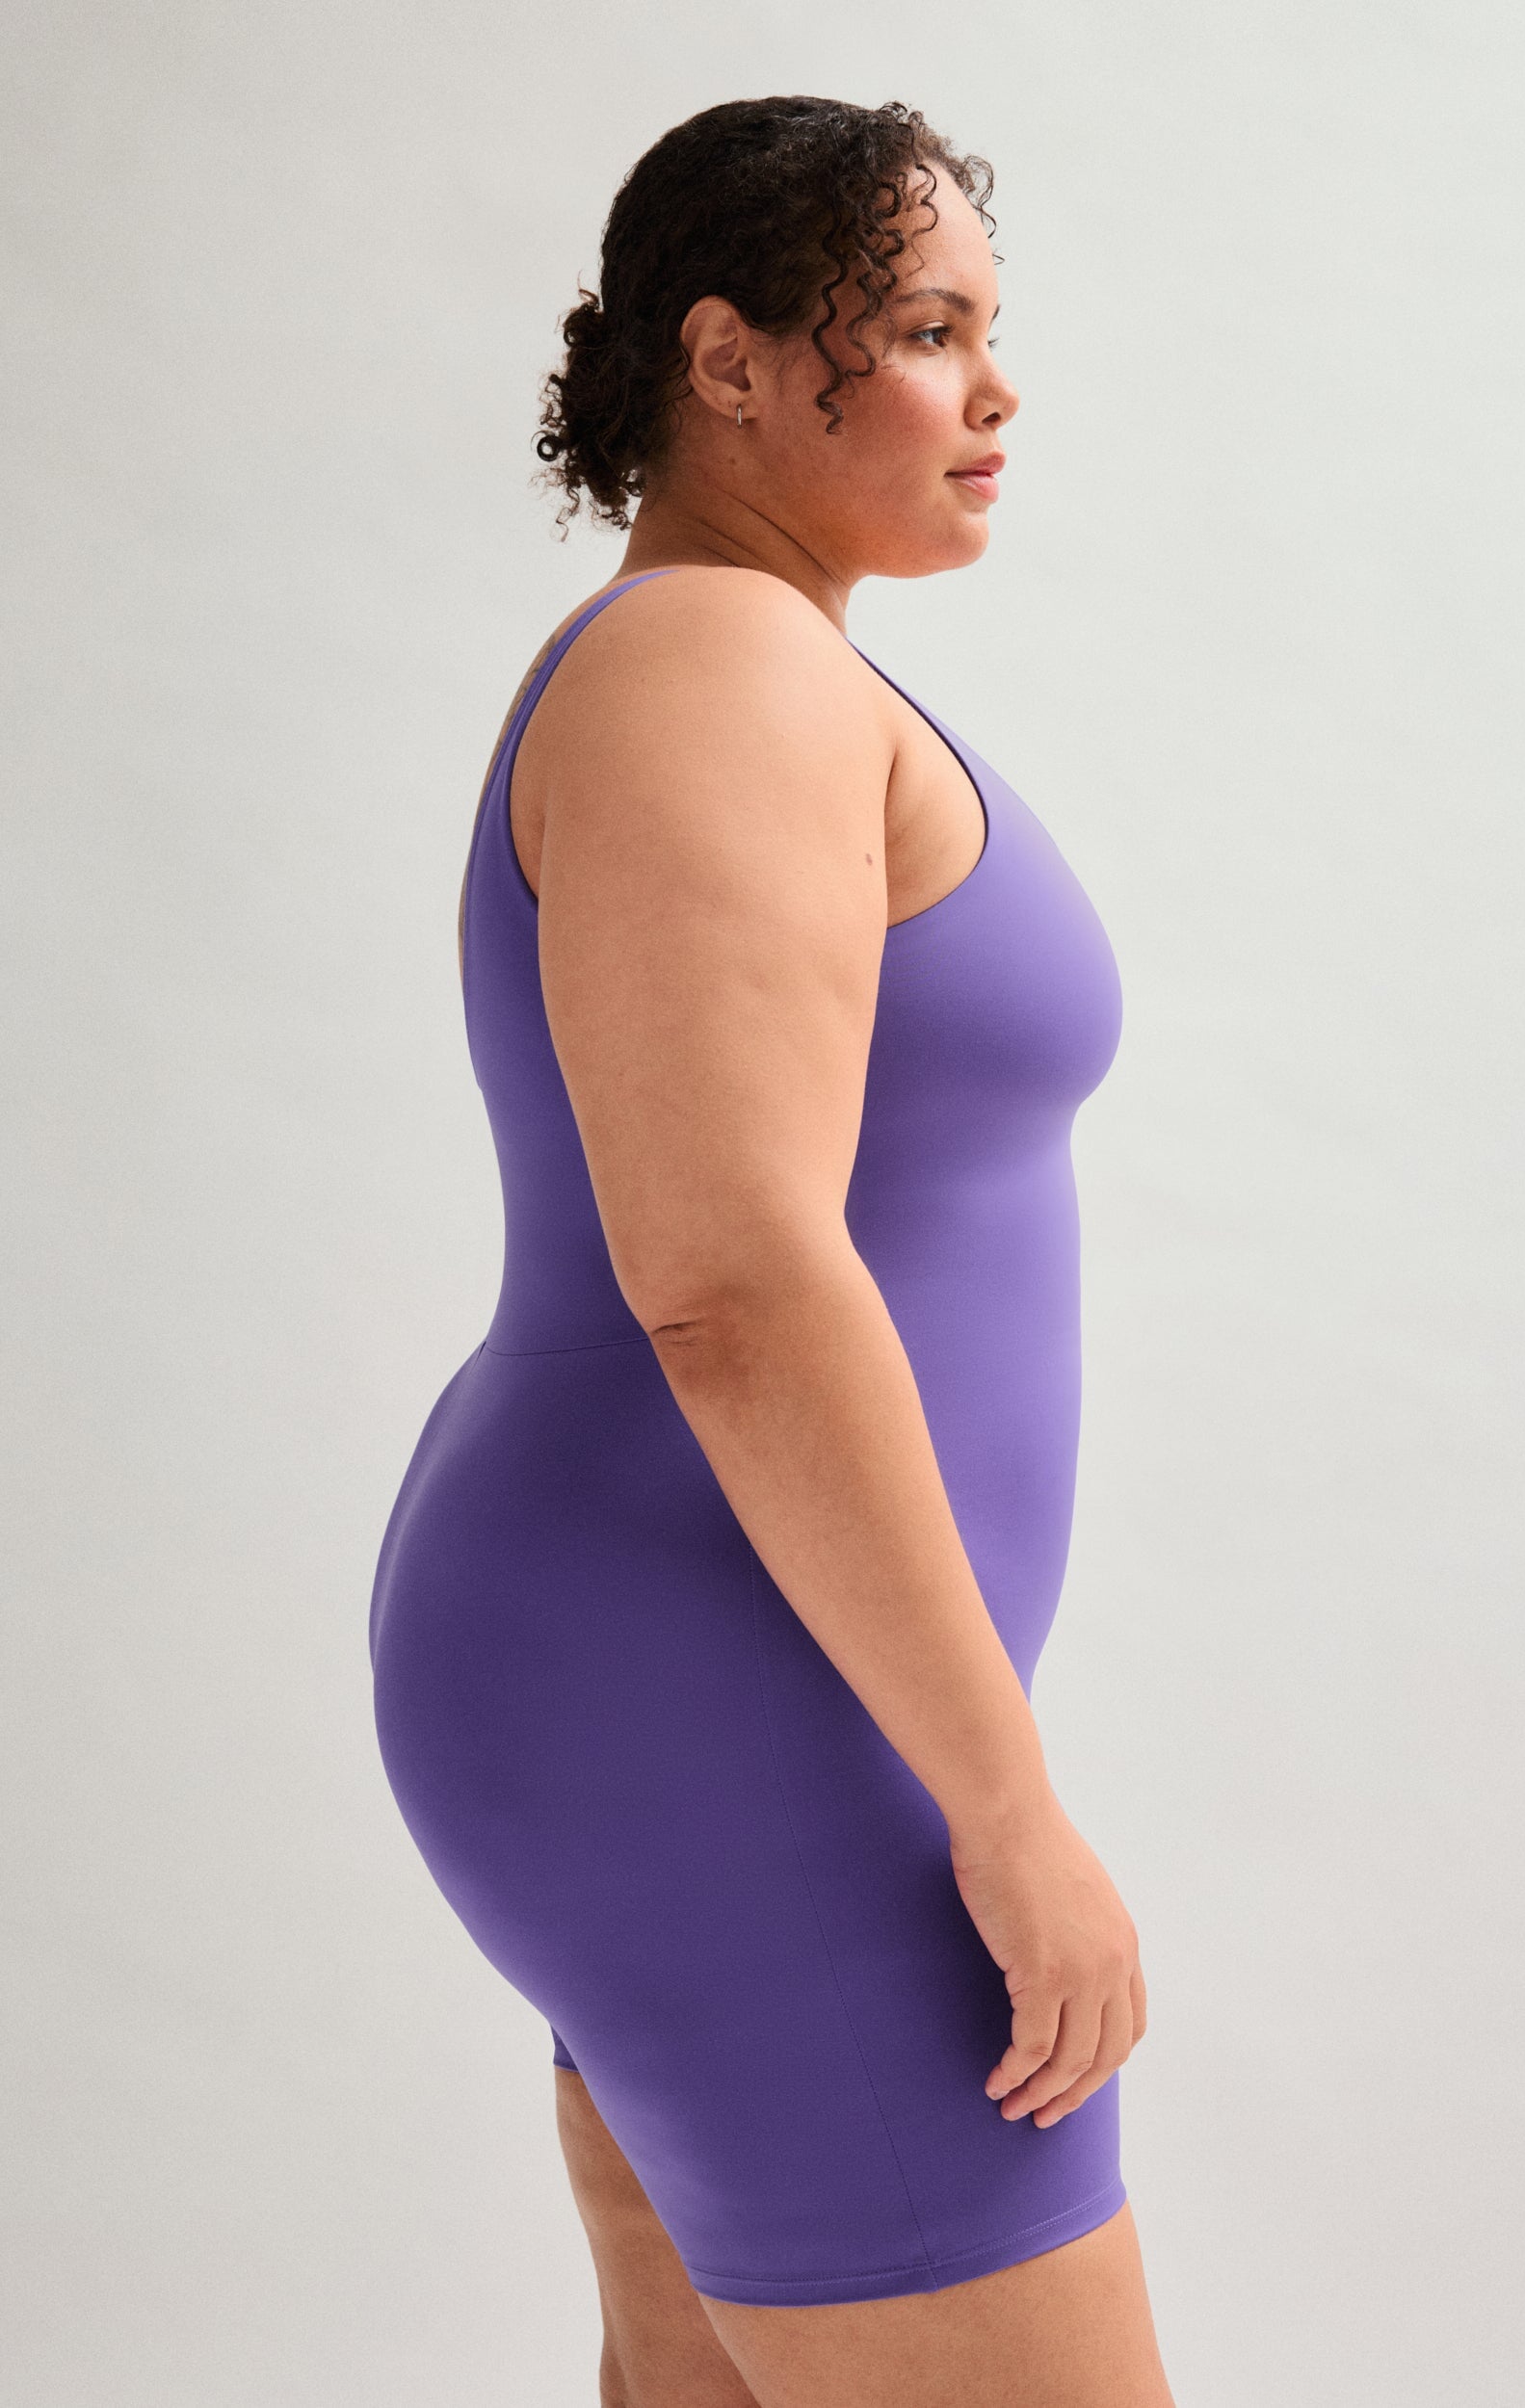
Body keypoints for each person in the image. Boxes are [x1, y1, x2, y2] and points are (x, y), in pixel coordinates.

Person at [369, 93, 1174, 2408]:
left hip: (714, 1671)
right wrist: (1005, 1809)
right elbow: (728, 1280)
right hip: (739, 1694)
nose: (994, 389)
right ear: (725, 361)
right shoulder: (714, 664)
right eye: (924, 332)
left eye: (989, 329)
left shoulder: (746, 659)